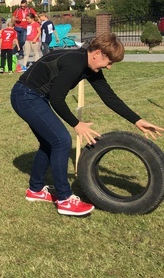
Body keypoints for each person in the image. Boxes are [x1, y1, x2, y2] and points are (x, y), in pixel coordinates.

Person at [11, 33, 163, 216]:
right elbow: (57, 99)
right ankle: (65, 199)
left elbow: (109, 97)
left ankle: (35, 190)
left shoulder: (90, 67)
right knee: (61, 141)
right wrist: (77, 124)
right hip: (26, 96)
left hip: (34, 96)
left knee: (49, 142)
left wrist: (137, 120)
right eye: (109, 62)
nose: (109, 67)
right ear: (97, 53)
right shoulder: (75, 63)